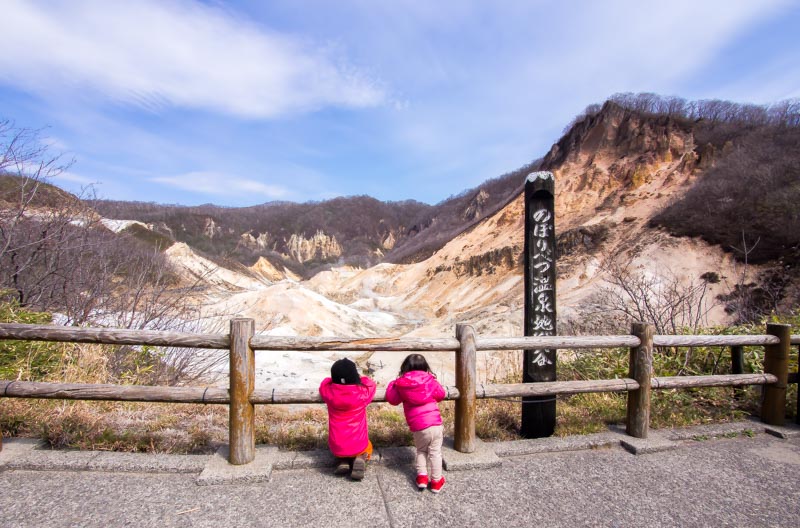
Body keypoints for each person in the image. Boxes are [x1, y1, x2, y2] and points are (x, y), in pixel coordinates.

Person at [386, 353, 447, 493]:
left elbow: (392, 399)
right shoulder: (430, 380)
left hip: (418, 427)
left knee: (421, 451)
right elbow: (441, 394)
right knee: (435, 452)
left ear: (405, 368)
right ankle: (436, 482)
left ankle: (422, 479)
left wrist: (392, 384)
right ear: (425, 367)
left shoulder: (402, 384)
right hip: (436, 424)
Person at [319, 358, 376, 480]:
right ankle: (360, 458)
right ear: (354, 377)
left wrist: (333, 380)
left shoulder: (329, 393)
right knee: (368, 446)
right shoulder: (361, 393)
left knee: (342, 447)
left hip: (337, 445)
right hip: (358, 443)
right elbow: (371, 384)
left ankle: (342, 461)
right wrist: (360, 378)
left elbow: (324, 383)